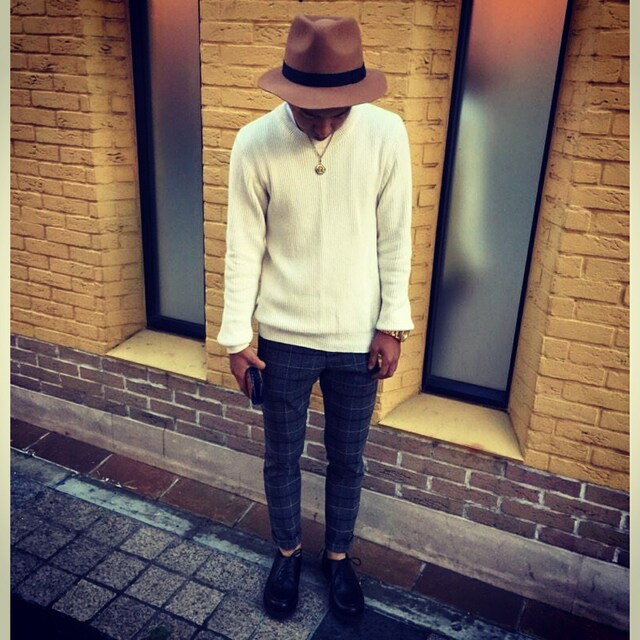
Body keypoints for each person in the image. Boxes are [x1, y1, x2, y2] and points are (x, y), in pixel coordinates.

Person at [217, 14, 413, 622]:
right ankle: (286, 554)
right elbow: (243, 246)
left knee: (348, 458)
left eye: (338, 111)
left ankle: (337, 557)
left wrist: (392, 324)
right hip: (282, 339)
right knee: (282, 456)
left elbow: (395, 236)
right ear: (288, 92)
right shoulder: (254, 143)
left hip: (359, 340)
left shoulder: (387, 134)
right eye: (311, 112)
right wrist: (236, 338)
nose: (324, 124)